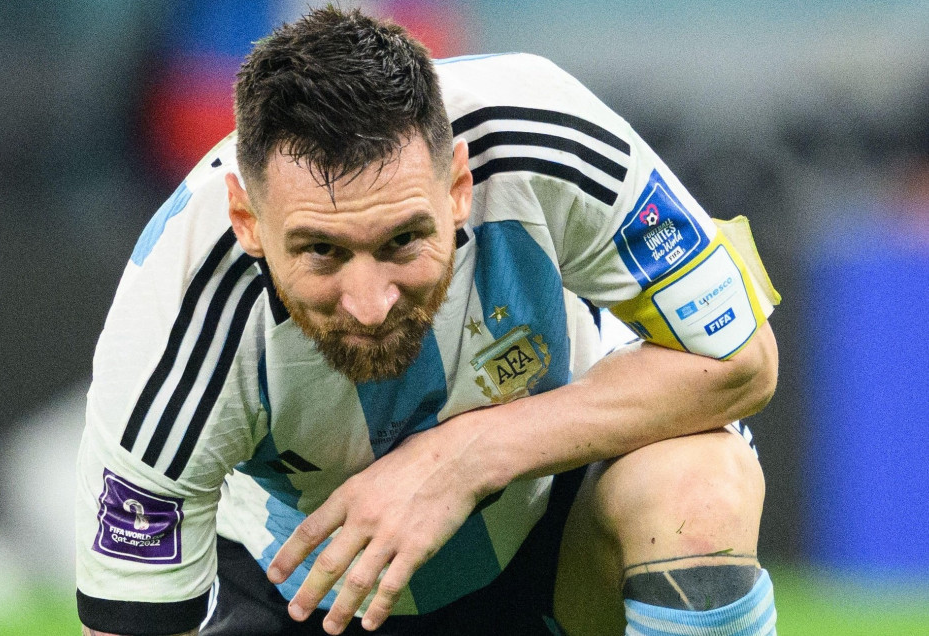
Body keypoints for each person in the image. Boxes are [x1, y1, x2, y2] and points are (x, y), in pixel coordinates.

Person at [76, 7, 781, 636]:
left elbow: (743, 356)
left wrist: (466, 456)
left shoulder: (546, 132)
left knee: (702, 483)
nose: (370, 301)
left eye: (401, 242)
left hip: (554, 541)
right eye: (321, 250)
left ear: (458, 188)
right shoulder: (170, 318)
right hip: (302, 595)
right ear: (246, 221)